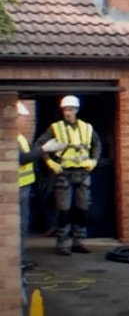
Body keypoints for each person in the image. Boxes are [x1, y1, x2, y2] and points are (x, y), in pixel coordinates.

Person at [34, 95, 101, 256]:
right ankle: (63, 244)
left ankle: (79, 241)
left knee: (82, 209)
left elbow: (97, 144)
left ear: (76, 110)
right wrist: (51, 164)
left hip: (83, 173)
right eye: (65, 109)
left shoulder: (87, 128)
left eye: (70, 109)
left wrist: (94, 161)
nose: (68, 112)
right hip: (63, 173)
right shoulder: (55, 128)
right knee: (63, 211)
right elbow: (40, 146)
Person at [18, 102, 66, 310]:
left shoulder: (20, 137)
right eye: (25, 117)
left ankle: (21, 261)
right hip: (16, 191)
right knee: (18, 229)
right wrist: (45, 149)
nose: (29, 121)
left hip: (25, 188)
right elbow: (21, 158)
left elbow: (30, 157)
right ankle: (17, 266)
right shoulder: (11, 137)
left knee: (22, 229)